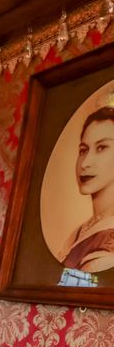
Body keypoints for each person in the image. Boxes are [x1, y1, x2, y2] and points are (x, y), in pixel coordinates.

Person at [59, 106, 114, 277]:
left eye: (101, 147)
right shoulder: (80, 231)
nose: (85, 163)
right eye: (83, 150)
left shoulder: (107, 244)